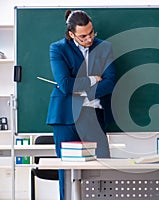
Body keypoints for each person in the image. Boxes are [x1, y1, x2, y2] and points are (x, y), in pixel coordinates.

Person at [46, 10, 116, 199]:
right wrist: (93, 79)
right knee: (68, 173)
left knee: (102, 170)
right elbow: (66, 84)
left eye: (91, 33)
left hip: (94, 116)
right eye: (83, 36)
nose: (89, 39)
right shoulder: (58, 48)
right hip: (66, 117)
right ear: (71, 34)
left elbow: (110, 82)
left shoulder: (105, 47)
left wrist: (81, 88)